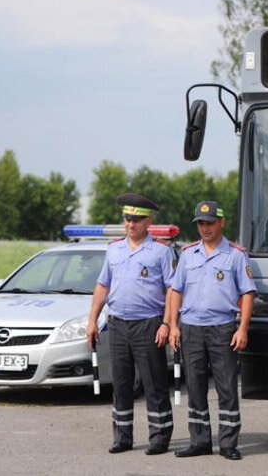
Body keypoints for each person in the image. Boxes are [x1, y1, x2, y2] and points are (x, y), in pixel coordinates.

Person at [86, 193, 176, 455]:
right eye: (127, 219)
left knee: (154, 383)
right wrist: (93, 320)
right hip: (117, 325)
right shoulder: (114, 249)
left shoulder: (161, 250)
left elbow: (172, 289)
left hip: (148, 325)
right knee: (121, 383)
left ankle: (159, 438)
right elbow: (103, 286)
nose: (131, 224)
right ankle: (122, 437)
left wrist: (167, 324)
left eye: (137, 219)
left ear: (148, 221)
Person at [168, 201, 256, 461]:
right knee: (194, 387)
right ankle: (200, 441)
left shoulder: (236, 255)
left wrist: (243, 329)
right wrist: (172, 325)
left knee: (226, 387)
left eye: (209, 223)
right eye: (200, 224)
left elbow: (247, 294)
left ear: (221, 223)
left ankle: (228, 443)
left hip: (223, 328)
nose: (204, 228)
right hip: (191, 328)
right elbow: (176, 290)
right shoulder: (187, 254)